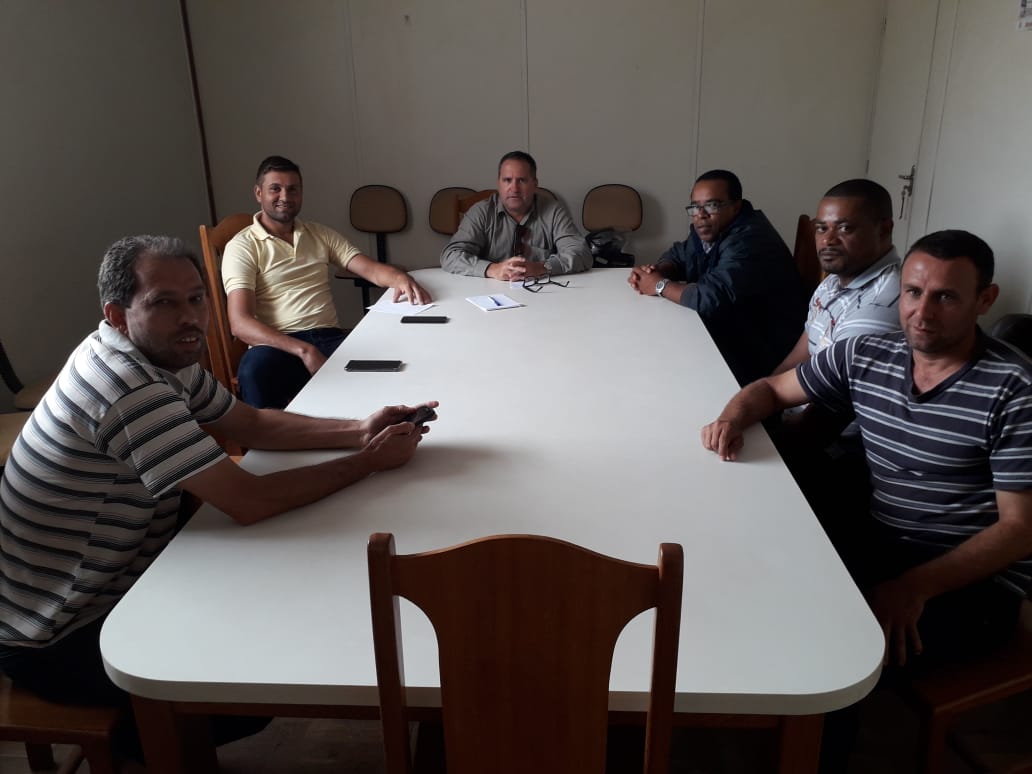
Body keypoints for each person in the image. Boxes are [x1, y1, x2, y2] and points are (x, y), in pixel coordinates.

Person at [0, 235, 434, 759]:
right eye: (164, 302)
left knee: (269, 601)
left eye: (196, 298)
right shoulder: (128, 386)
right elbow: (250, 501)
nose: (190, 317)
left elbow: (250, 423)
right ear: (117, 315)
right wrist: (368, 462)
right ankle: (150, 749)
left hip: (117, 581)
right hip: (58, 632)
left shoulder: (161, 355)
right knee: (250, 682)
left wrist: (360, 430)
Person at [702, 229, 1032, 667]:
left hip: (970, 577)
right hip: (884, 540)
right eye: (913, 292)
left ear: (985, 300)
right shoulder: (865, 355)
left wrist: (915, 587)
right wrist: (731, 419)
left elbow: (1019, 530)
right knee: (758, 578)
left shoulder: (1015, 390)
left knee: (831, 650)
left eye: (946, 297)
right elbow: (771, 389)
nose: (922, 312)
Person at [222, 155, 432, 409]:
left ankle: (386, 428)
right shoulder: (242, 246)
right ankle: (270, 435)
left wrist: (399, 278)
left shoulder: (319, 234)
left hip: (328, 337)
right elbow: (240, 323)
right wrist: (303, 350)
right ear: (259, 193)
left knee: (394, 360)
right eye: (275, 189)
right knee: (253, 371)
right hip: (276, 344)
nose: (285, 197)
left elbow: (369, 269)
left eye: (293, 189)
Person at [628, 170, 805, 385]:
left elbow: (710, 298)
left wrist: (659, 285)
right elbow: (679, 255)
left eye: (712, 205)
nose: (701, 215)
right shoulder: (711, 228)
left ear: (736, 206)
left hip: (761, 351)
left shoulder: (749, 240)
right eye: (695, 207)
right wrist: (657, 271)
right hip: (731, 330)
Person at [772, 179, 902, 374]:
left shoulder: (880, 302)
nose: (827, 240)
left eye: (845, 228)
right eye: (822, 228)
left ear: (884, 230)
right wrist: (767, 385)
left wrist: (768, 390)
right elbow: (799, 356)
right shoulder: (833, 281)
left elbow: (827, 388)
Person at [440, 150, 592, 281]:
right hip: (489, 293)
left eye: (522, 180)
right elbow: (450, 255)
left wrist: (542, 267)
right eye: (507, 180)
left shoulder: (553, 211)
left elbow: (582, 254)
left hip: (542, 294)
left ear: (535, 184)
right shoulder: (481, 212)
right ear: (498, 184)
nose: (514, 188)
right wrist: (492, 269)